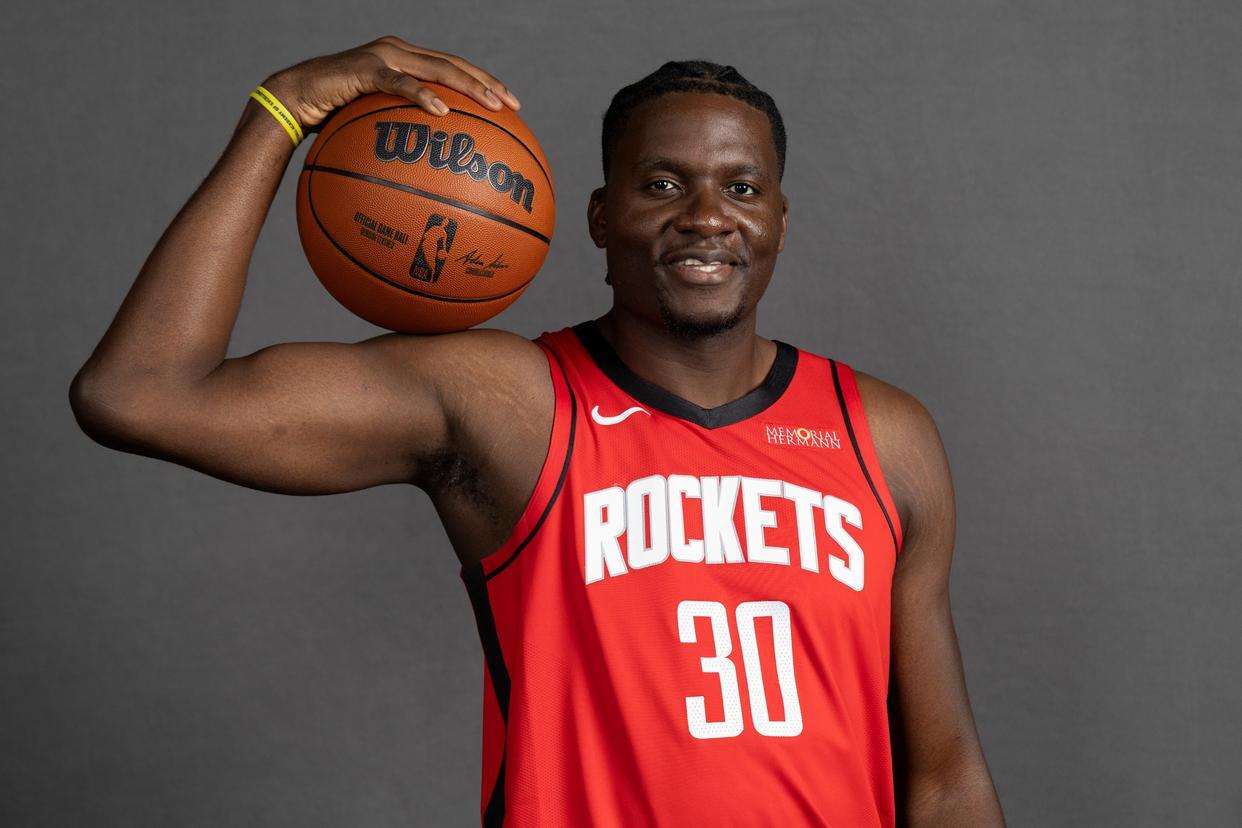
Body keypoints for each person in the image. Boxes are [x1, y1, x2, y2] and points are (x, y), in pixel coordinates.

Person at [70, 35, 1005, 827]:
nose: (708, 217)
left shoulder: (883, 436)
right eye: (663, 183)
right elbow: (140, 394)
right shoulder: (509, 404)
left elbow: (946, 778)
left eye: (743, 188)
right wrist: (281, 111)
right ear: (600, 215)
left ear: (780, 222)